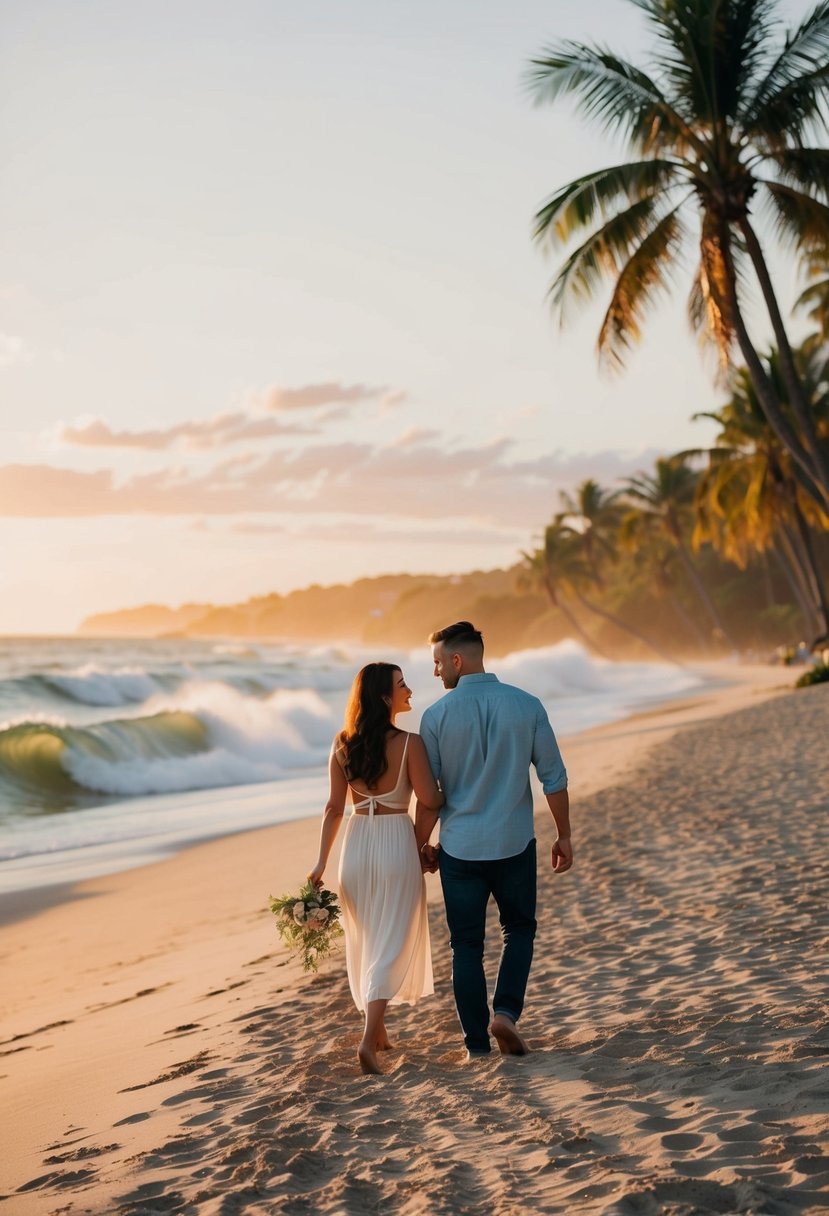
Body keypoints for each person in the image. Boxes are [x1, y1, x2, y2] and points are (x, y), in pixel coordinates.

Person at [415, 621, 572, 1061]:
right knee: (519, 930)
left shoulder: (436, 717)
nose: (435, 672)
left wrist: (419, 845)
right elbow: (553, 778)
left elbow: (429, 798)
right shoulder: (526, 704)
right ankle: (505, 1012)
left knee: (465, 944)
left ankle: (476, 1047)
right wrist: (564, 834)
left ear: (457, 660)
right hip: (514, 843)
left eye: (437, 662)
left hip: (460, 849)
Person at [308, 661, 443, 1075]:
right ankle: (368, 1041)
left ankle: (379, 1033)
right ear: (385, 697)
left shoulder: (341, 743)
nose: (409, 691)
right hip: (394, 841)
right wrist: (419, 845)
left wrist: (320, 866)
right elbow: (431, 801)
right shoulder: (410, 743)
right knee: (392, 939)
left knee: (368, 937)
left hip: (355, 845)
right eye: (402, 685)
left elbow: (333, 809)